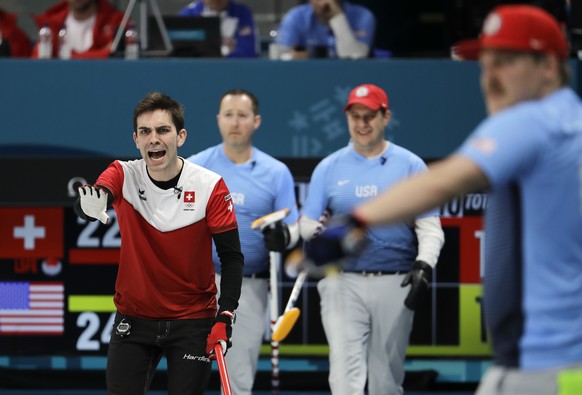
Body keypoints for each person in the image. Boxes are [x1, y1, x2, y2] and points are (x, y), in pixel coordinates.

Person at [306, 5, 582, 395]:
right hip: (565, 364)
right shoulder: (572, 122)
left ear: (549, 68)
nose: (489, 79)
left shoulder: (531, 119)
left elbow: (445, 182)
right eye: (485, 65)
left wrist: (356, 222)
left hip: (539, 365)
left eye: (505, 63)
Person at [73, 92, 243, 394]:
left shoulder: (210, 186)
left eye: (163, 130)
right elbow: (101, 191)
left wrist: (225, 316)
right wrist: (92, 203)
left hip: (193, 321)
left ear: (180, 136)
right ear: (135, 140)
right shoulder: (123, 173)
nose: (154, 139)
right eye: (145, 131)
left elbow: (231, 258)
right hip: (134, 321)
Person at [298, 83, 445, 395]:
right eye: (355, 116)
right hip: (342, 283)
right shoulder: (329, 167)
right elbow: (308, 224)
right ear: (347, 118)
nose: (362, 123)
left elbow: (430, 227)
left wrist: (424, 265)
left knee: (386, 380)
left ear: (385, 117)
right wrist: (324, 236)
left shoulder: (411, 165)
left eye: (369, 116)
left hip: (396, 281)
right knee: (344, 376)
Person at [187, 88, 299, 395]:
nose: (235, 122)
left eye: (242, 115)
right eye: (228, 115)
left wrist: (284, 236)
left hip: (249, 287)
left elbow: (293, 228)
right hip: (199, 284)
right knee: (187, 371)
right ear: (218, 120)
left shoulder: (277, 173)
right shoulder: (196, 167)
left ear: (256, 121)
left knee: (236, 377)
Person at [273, 0, 375, 59]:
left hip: (347, 79)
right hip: (308, 77)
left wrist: (337, 16)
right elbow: (277, 58)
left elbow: (355, 57)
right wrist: (294, 57)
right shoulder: (296, 16)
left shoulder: (362, 15)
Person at [32, 0, 124, 59]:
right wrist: (104, 53)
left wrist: (63, 58)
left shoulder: (117, 22)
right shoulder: (51, 24)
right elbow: (37, 66)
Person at [180, 0, 259, 58]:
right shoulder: (189, 14)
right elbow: (182, 56)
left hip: (233, 73)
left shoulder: (242, 13)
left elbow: (249, 54)